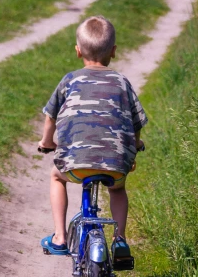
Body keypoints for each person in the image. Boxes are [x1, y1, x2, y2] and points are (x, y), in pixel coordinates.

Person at [38, 15, 146, 260]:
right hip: (115, 167)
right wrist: (134, 146)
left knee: (56, 177)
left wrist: (47, 142)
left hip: (75, 165)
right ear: (114, 51)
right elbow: (137, 122)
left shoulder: (69, 80)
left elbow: (50, 117)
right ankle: (119, 240)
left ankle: (59, 237)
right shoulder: (122, 82)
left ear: (78, 51)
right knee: (117, 189)